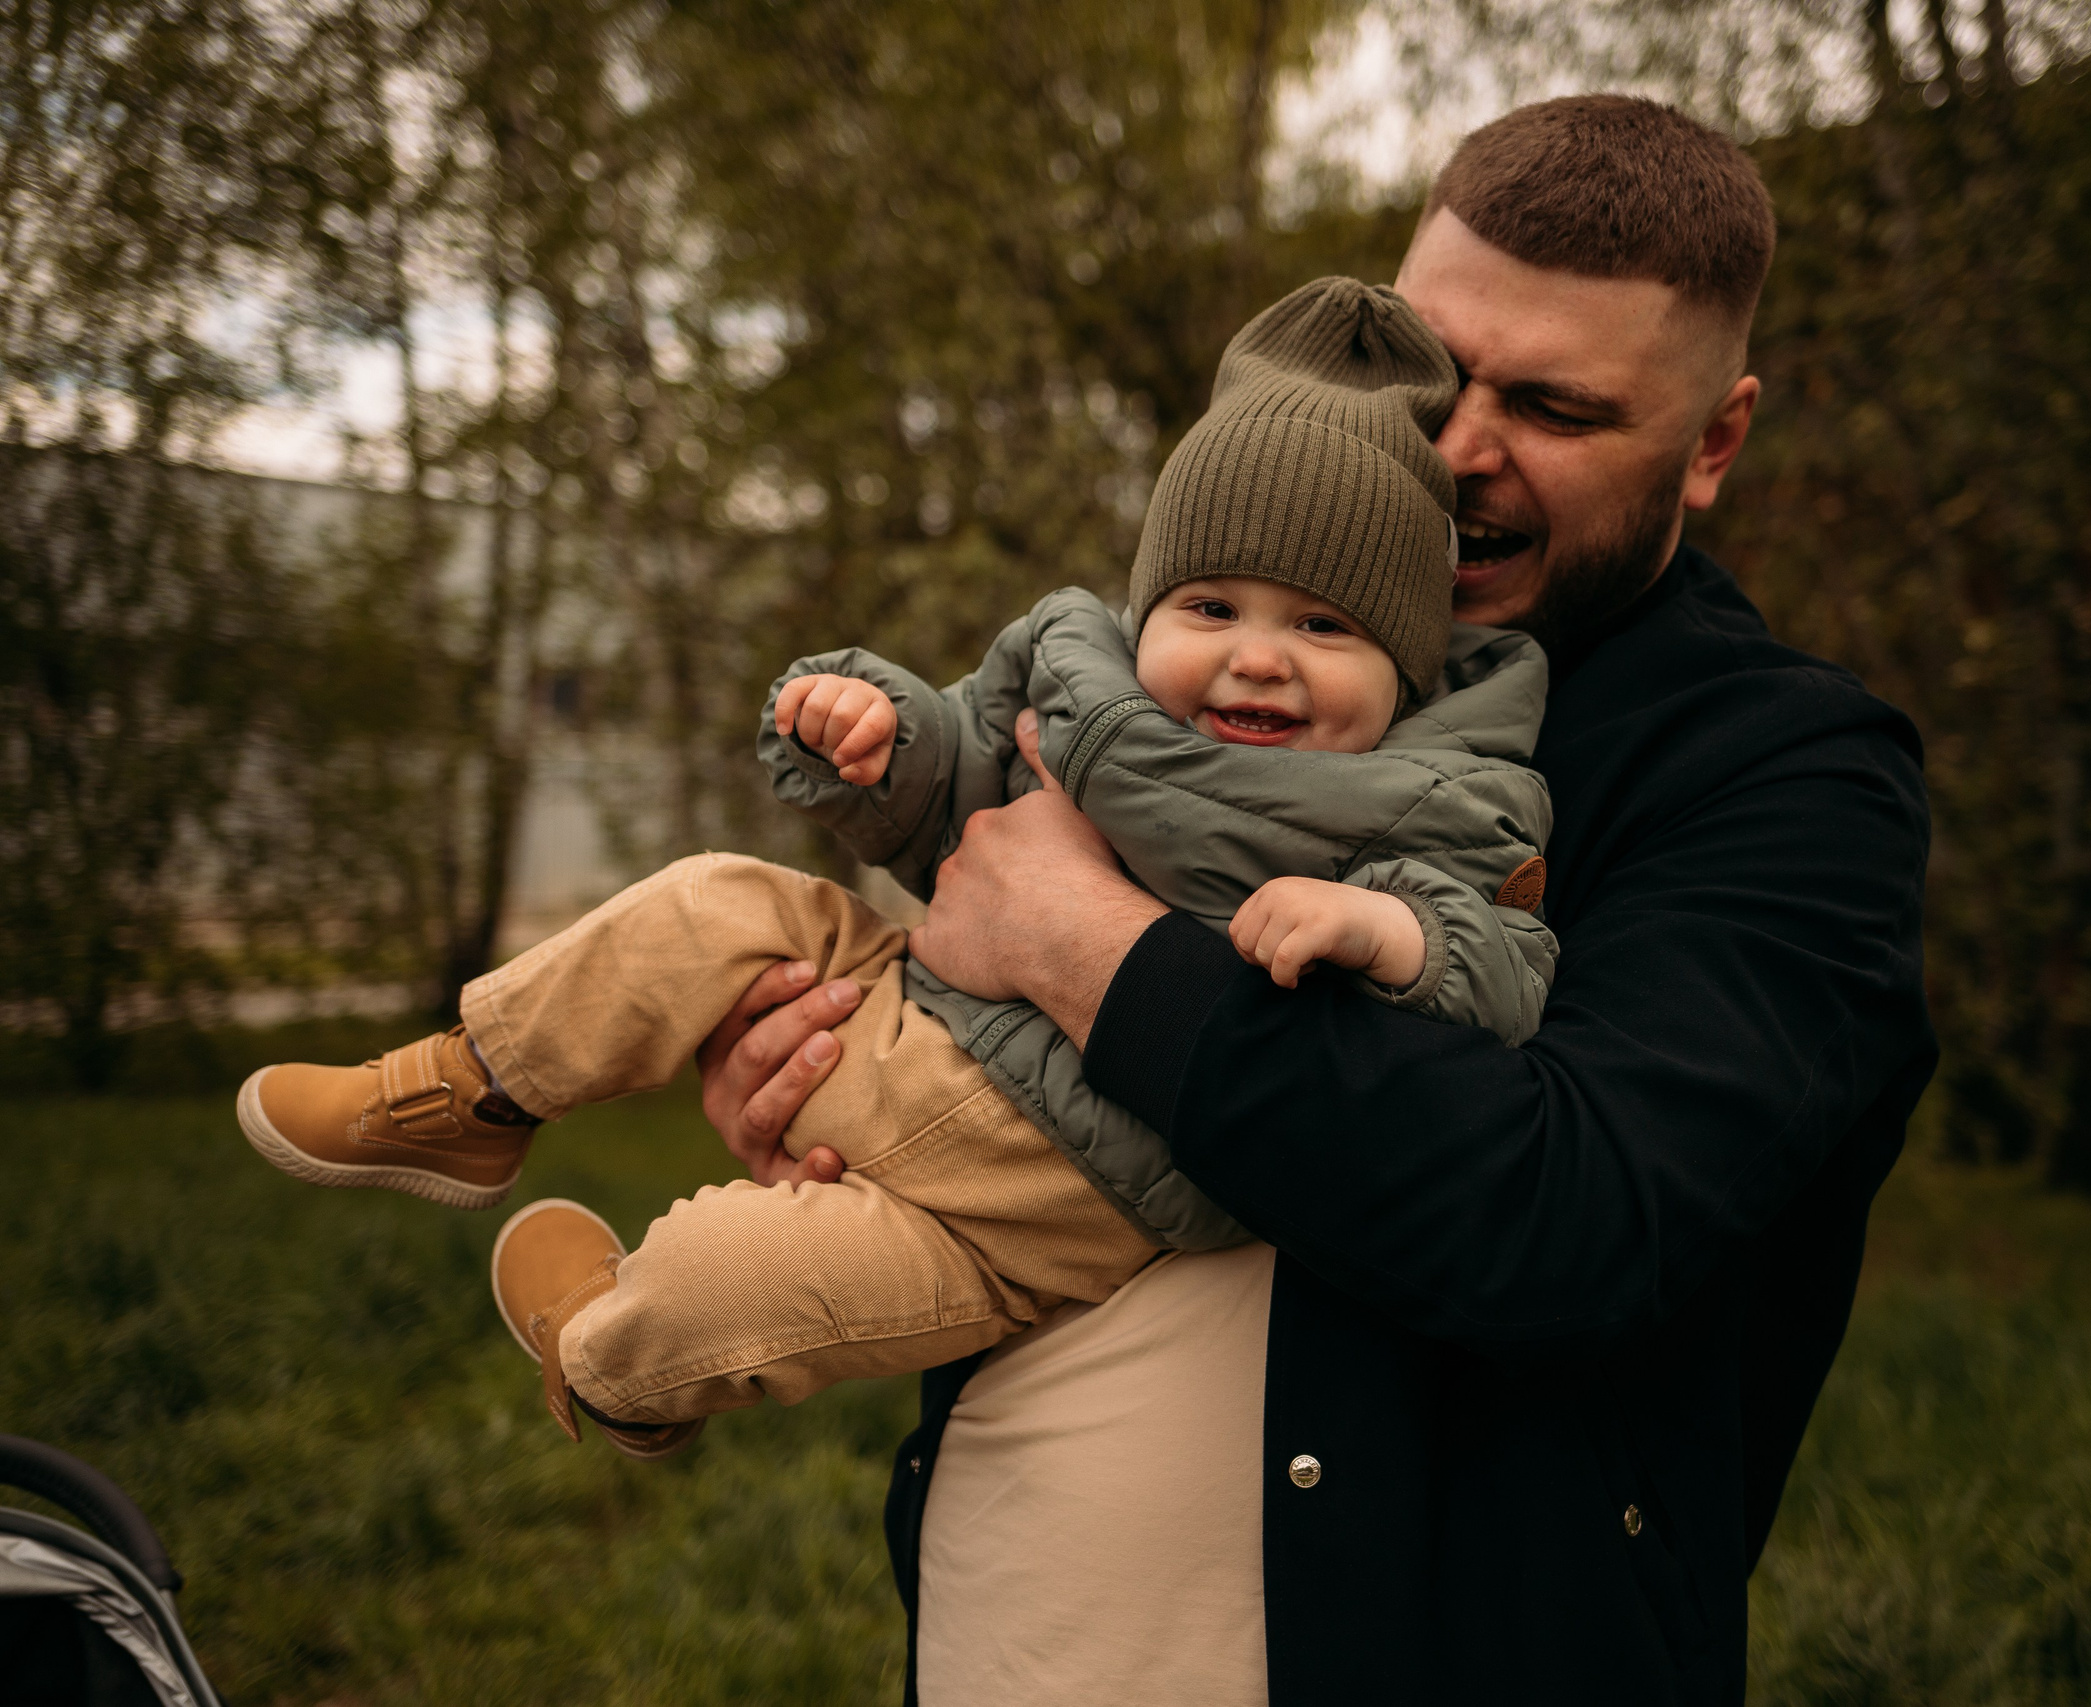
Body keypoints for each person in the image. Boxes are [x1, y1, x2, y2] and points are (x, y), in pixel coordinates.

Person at [699, 95, 1937, 1705]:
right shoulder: (1229, 659)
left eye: (1555, 406)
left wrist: (1092, 954)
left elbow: (1569, 1214)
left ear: (1713, 444)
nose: (1460, 449)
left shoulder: (1791, 777)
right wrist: (835, 1076)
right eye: (1440, 368)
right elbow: (964, 924)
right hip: (1021, 1630)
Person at [230, 279, 1558, 1458]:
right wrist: (880, 737)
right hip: (902, 1005)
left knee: (713, 1285)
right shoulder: (1079, 678)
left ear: (1406, 666)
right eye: (1210, 607)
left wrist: (1385, 934)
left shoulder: (1428, 799)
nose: (1256, 657)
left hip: (1041, 1209)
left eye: (1322, 626)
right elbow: (962, 774)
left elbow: (1503, 966)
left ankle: (606, 1361)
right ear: (1149, 606)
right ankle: (466, 1092)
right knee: (709, 901)